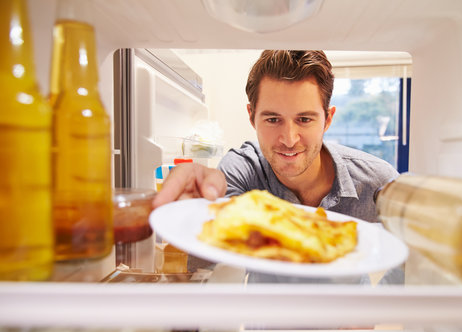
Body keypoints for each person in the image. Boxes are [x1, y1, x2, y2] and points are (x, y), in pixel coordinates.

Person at [153, 50, 398, 223]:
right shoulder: (243, 171)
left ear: (328, 119)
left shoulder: (376, 181)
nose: (289, 139)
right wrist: (194, 212)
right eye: (273, 119)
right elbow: (212, 254)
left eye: (304, 119)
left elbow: (420, 256)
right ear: (252, 117)